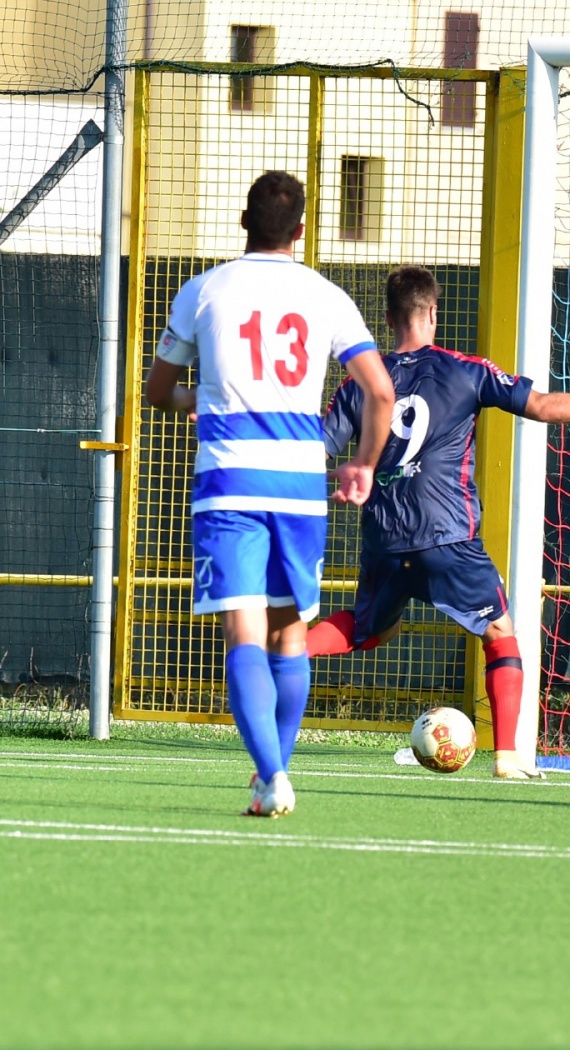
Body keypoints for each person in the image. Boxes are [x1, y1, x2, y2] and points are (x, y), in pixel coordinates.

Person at [305, 265, 570, 778]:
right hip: (448, 534)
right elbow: (545, 406)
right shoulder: (466, 370)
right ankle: (507, 757)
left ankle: (283, 649)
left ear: (389, 317)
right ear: (434, 313)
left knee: (368, 631)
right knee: (501, 632)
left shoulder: (361, 383)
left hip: (385, 535)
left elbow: (314, 447)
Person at [143, 170, 396, 818]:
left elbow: (157, 389)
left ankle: (270, 775)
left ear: (242, 223)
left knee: (243, 631)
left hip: (230, 481)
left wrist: (193, 397)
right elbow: (381, 392)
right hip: (298, 482)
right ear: (302, 231)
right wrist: (364, 463)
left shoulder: (204, 291)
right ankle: (272, 778)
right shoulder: (327, 296)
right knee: (290, 632)